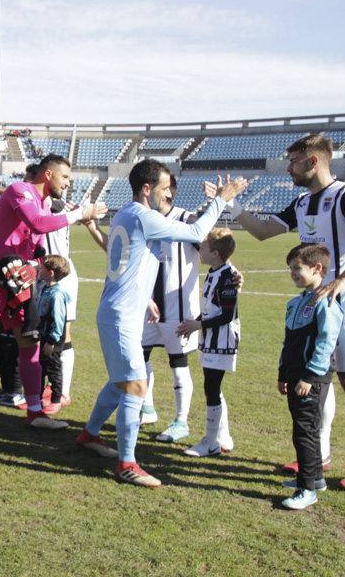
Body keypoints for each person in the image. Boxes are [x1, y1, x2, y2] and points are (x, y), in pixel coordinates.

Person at [75, 160, 246, 487]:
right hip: (122, 315)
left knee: (120, 382)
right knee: (136, 386)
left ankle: (88, 435)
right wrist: (221, 199)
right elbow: (197, 233)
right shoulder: (144, 216)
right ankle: (126, 465)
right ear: (146, 189)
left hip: (120, 311)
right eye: (165, 187)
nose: (169, 194)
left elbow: (127, 258)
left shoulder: (125, 213)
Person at [230, 134, 345, 490]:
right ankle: (320, 455)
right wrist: (234, 206)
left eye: (294, 162)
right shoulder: (302, 202)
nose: (288, 168)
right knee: (315, 382)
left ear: (314, 161)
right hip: (315, 306)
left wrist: (342, 281)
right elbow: (265, 231)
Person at [0, 154, 105, 427]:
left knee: (29, 344)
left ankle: (34, 413)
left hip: (19, 282)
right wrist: (77, 215)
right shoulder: (19, 190)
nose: (68, 184)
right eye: (66, 177)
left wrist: (36, 266)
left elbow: (37, 241)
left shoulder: (46, 204)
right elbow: (36, 223)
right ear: (48, 174)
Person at [136, 175, 203, 444]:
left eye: (164, 187)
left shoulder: (185, 218)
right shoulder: (147, 219)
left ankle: (181, 421)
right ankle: (147, 407)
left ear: (171, 191)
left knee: (178, 364)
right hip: (149, 306)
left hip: (178, 308)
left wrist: (232, 271)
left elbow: (211, 244)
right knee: (139, 356)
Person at [278, 243, 343, 510]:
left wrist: (309, 376)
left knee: (305, 430)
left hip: (310, 378)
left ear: (317, 269)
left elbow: (326, 343)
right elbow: (288, 343)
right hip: (295, 376)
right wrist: (283, 373)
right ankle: (314, 478)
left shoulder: (325, 302)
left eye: (297, 268)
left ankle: (306, 489)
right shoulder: (296, 303)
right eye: (290, 269)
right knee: (302, 429)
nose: (292, 273)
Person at [179, 227, 240, 457]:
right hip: (211, 337)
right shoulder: (215, 272)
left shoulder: (228, 276)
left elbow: (226, 315)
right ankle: (222, 437)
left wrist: (198, 325)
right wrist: (194, 323)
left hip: (221, 339)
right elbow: (211, 309)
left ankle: (210, 442)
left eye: (202, 249)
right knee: (213, 387)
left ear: (215, 253)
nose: (199, 252)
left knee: (211, 388)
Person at [37, 255, 71, 406]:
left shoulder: (56, 295)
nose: (39, 269)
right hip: (44, 337)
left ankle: (56, 400)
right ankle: (36, 399)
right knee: (40, 367)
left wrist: (51, 341)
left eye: (43, 267)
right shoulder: (46, 288)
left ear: (50, 273)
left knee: (53, 368)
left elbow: (58, 321)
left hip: (52, 339)